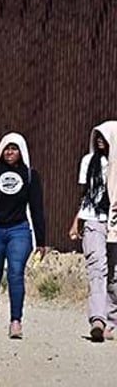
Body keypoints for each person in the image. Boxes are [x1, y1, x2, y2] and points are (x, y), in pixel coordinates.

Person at [0, 133, 46, 339]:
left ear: (21, 151)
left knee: (16, 273)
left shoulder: (29, 175)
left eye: (14, 148)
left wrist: (41, 240)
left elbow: (36, 208)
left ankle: (16, 321)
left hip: (18, 230)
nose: (10, 152)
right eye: (7, 148)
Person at [69, 121, 117, 342]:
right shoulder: (89, 162)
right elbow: (85, 193)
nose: (99, 140)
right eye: (97, 136)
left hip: (114, 220)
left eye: (104, 137)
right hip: (93, 218)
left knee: (114, 276)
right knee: (97, 267)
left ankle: (112, 320)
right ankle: (97, 318)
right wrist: (76, 220)